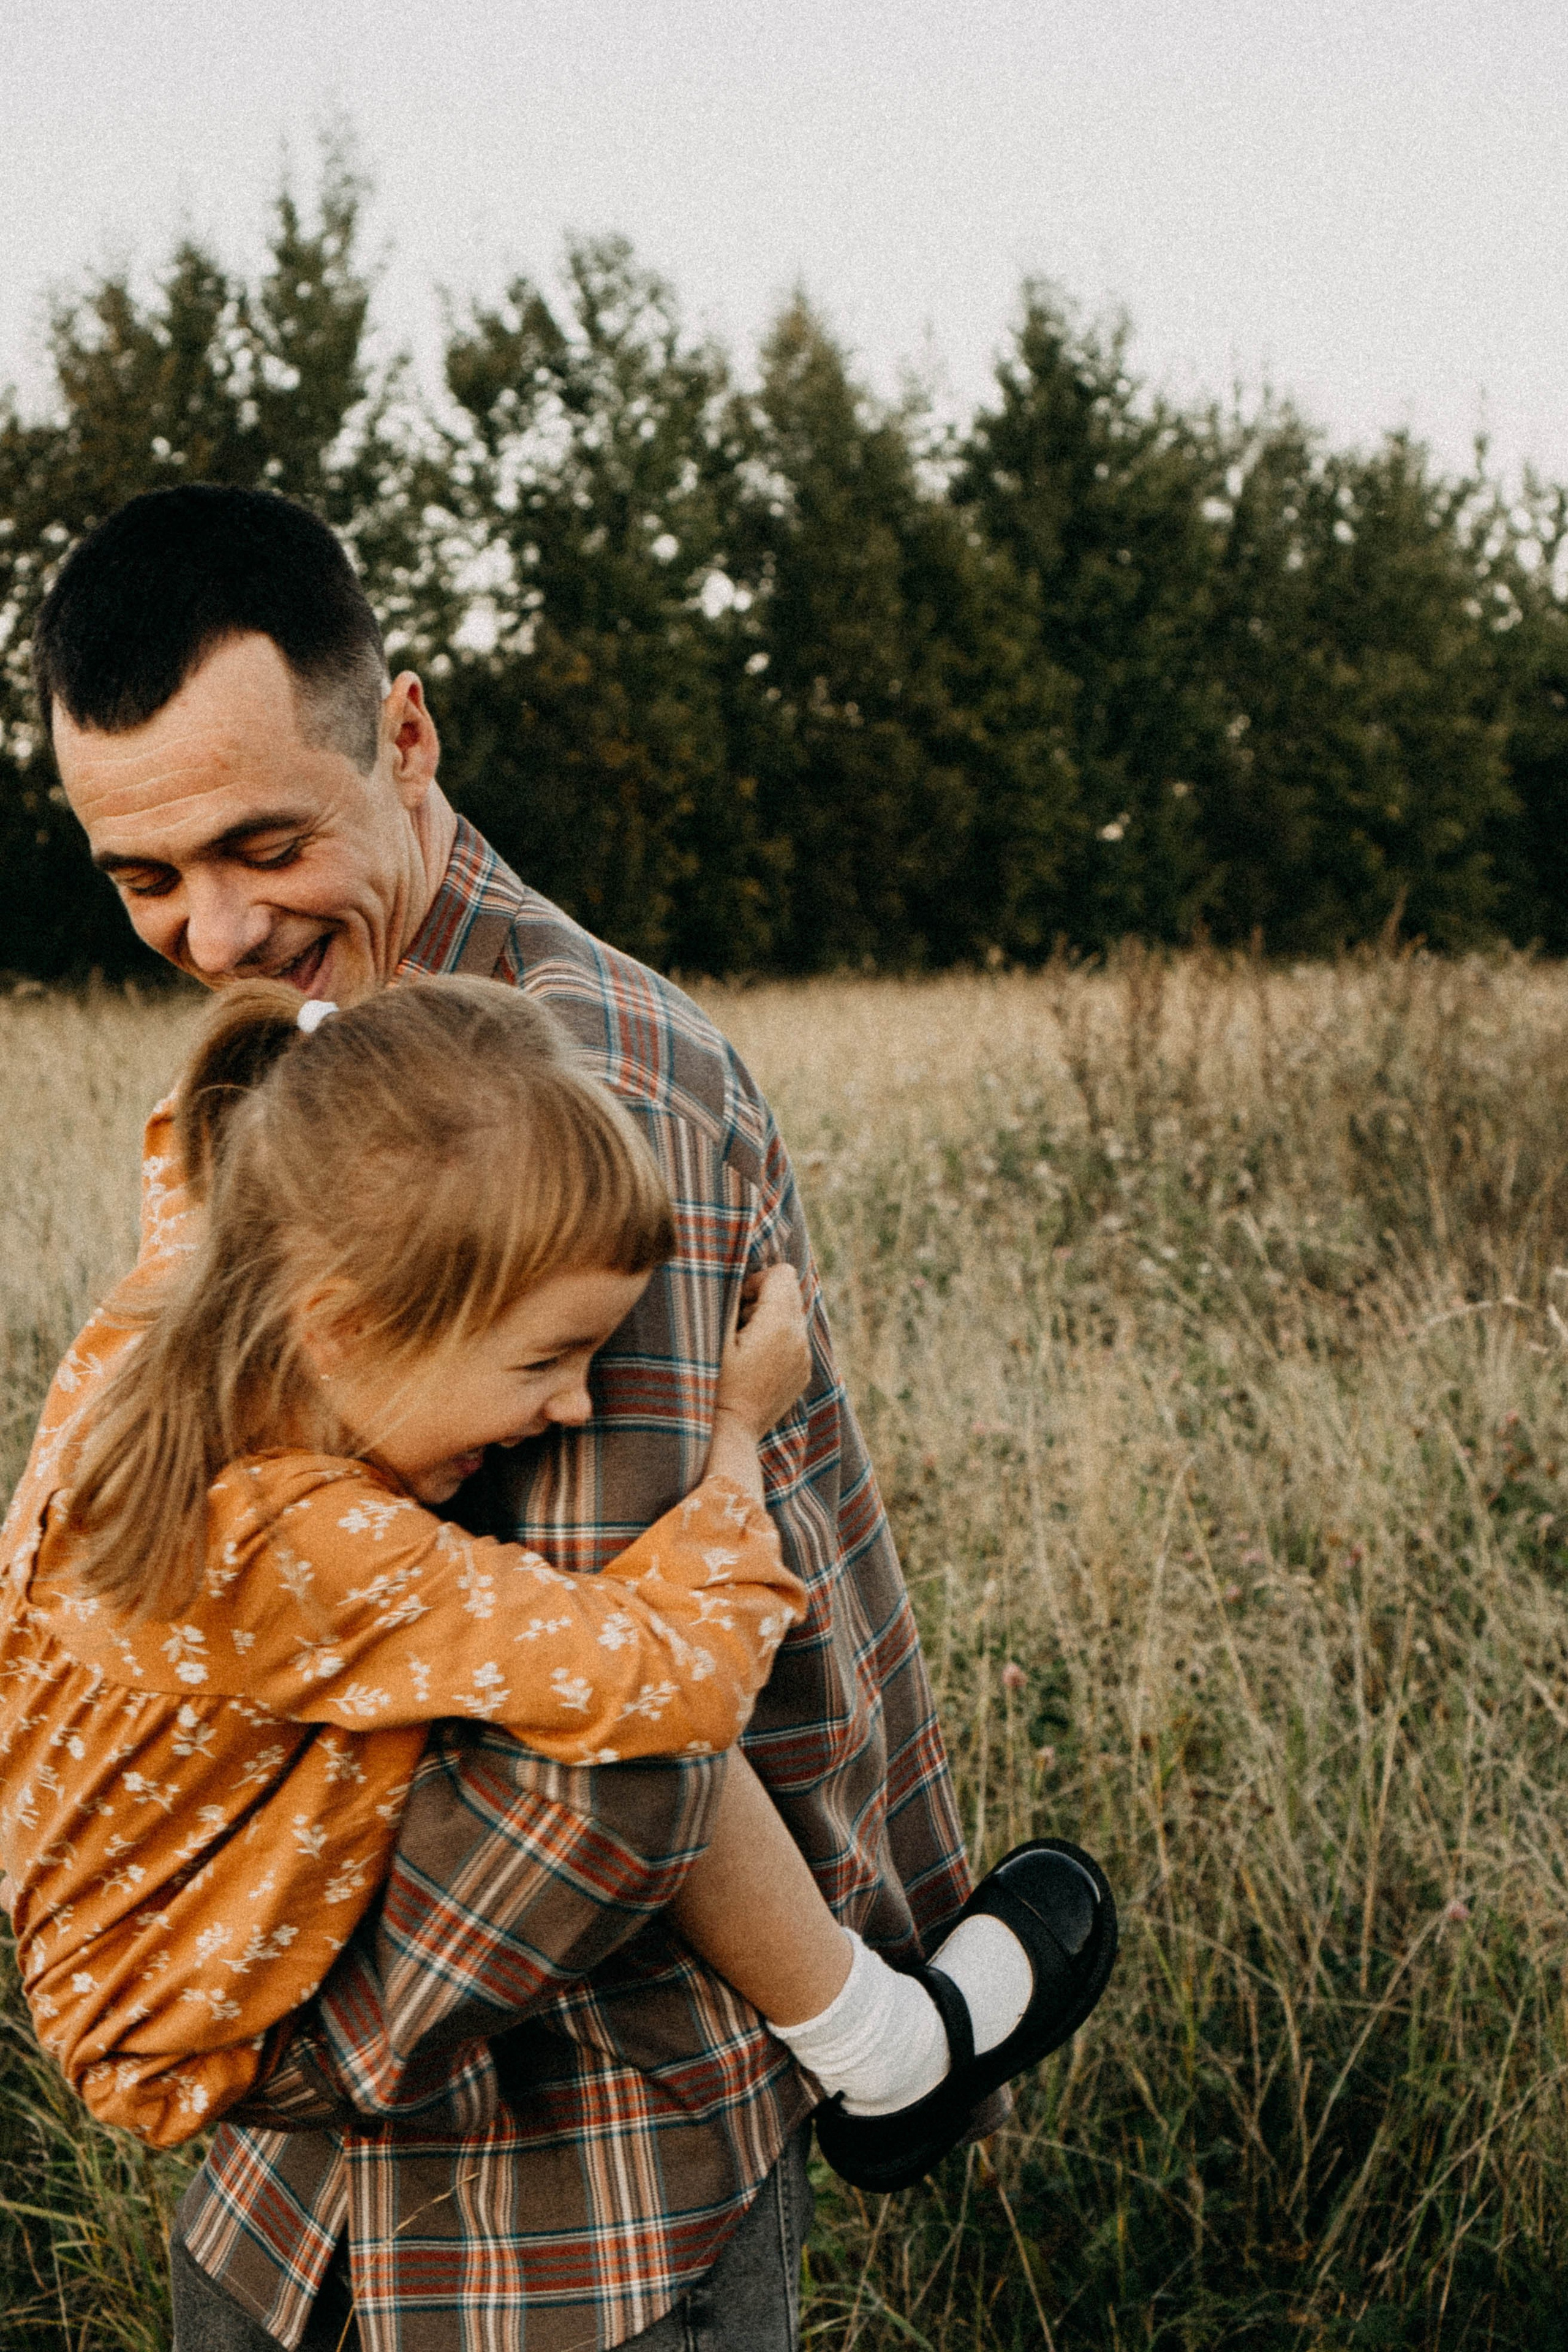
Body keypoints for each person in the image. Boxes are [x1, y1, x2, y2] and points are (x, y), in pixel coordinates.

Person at [20, 483, 1115, 2352]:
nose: (214, 928)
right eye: (145, 878)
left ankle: (894, 2049)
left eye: (263, 843)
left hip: (562, 2220)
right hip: (282, 2220)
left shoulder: (581, 1107)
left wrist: (265, 2045)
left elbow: (624, 1769)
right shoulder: (322, 1053)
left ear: (408, 738)